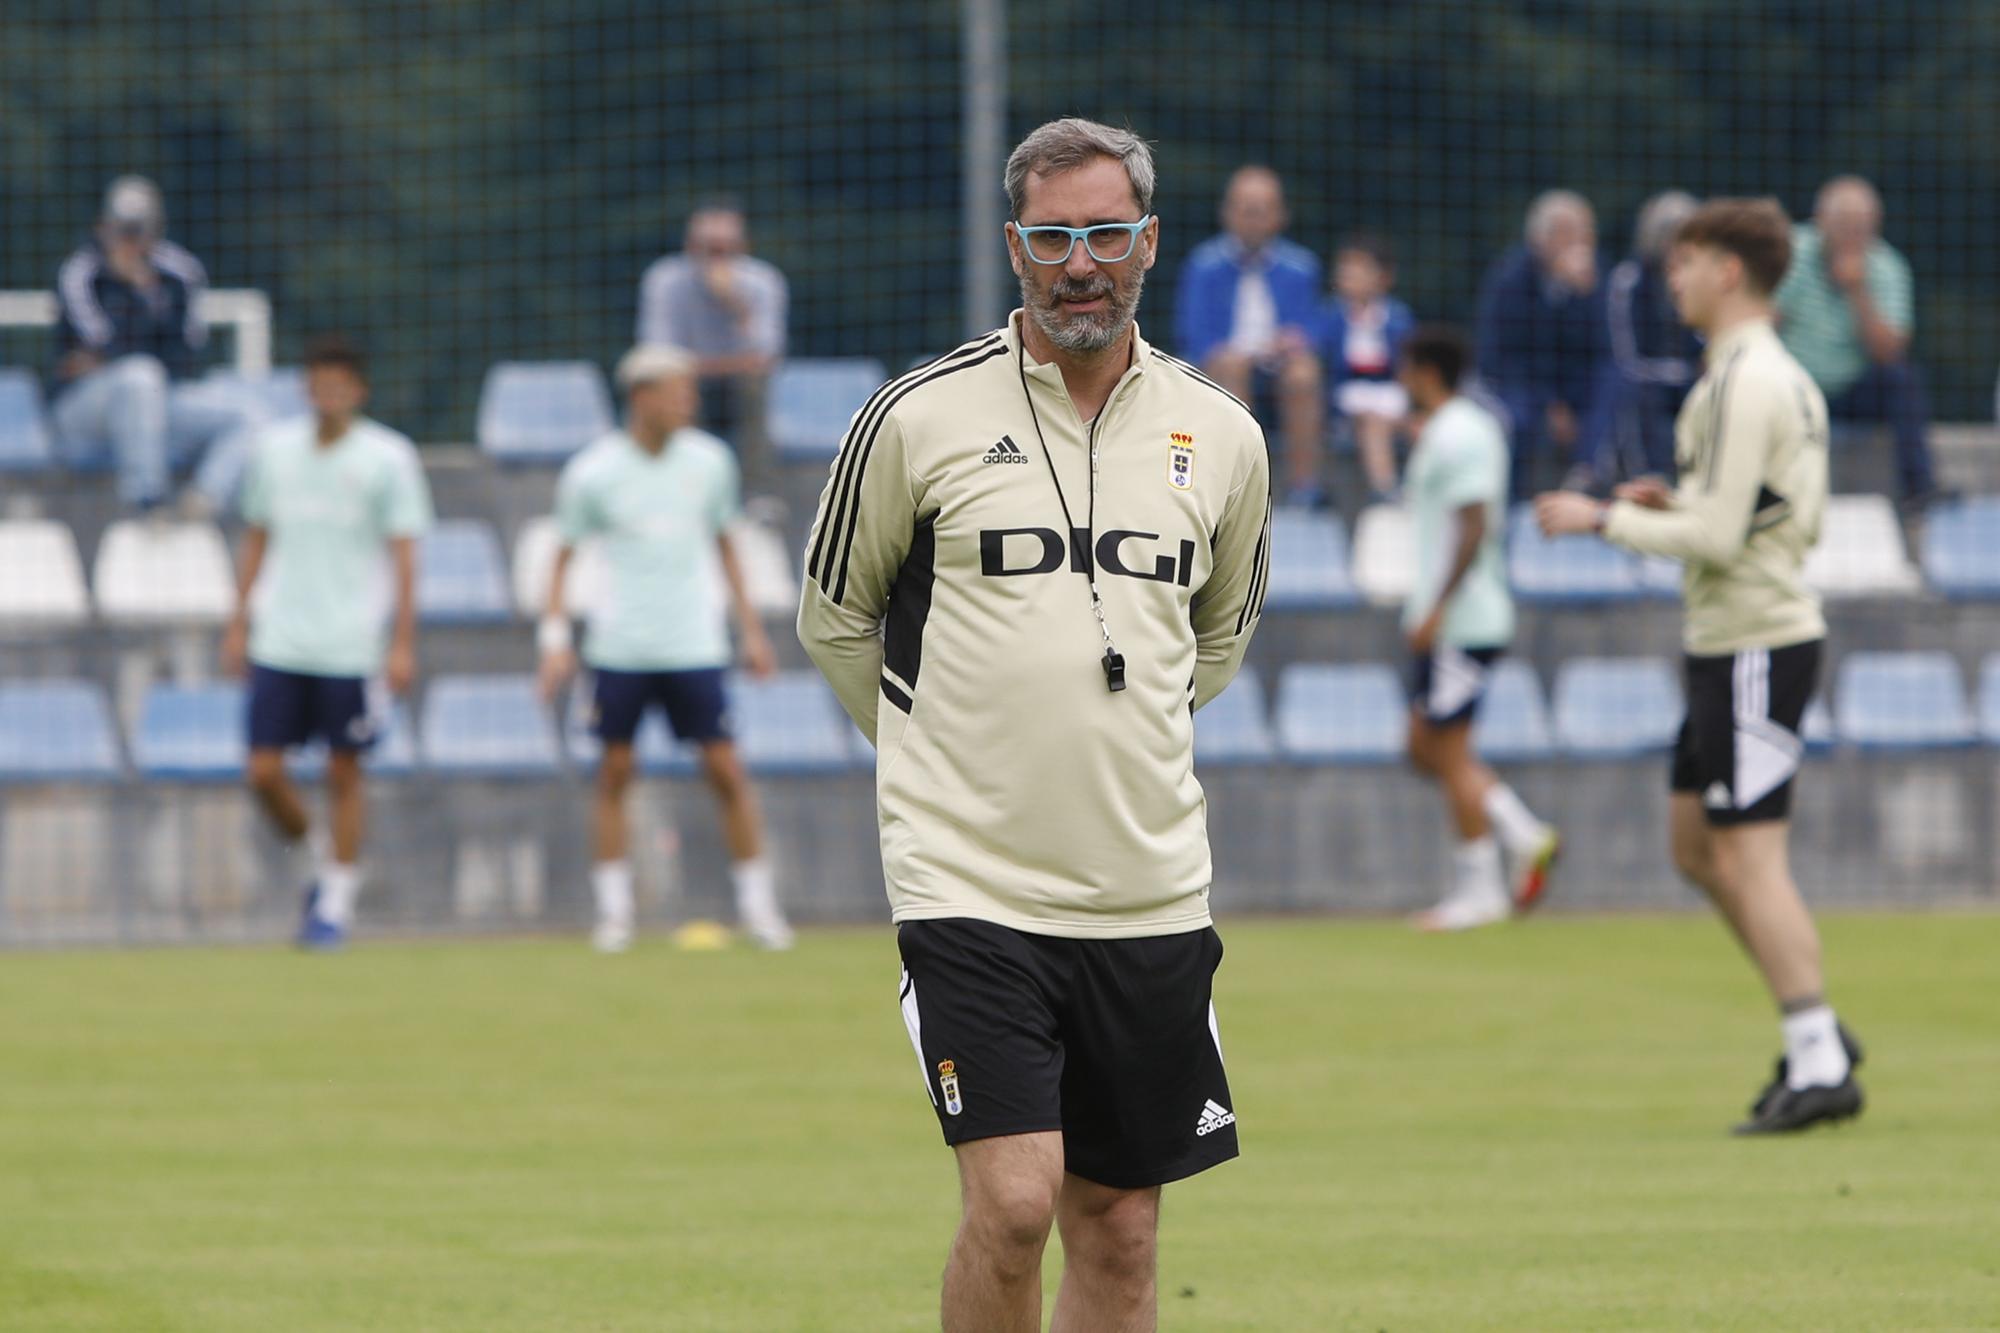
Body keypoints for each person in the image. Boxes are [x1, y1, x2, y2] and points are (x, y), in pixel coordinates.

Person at [798, 117, 1270, 1332]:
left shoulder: (1221, 434)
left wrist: (1115, 734)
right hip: (969, 884)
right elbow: (834, 618)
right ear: (1013, 246)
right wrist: (931, 756)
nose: (1079, 262)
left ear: (1148, 243)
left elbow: (1216, 638)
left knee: (1120, 1229)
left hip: (1149, 888)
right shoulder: (915, 416)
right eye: (1052, 235)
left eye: (1105, 233)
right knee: (1013, 1205)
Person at [1536, 198, 1864, 1135]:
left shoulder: (1747, 381)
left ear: (1728, 271)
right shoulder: (1742, 375)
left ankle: (1818, 1053)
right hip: (1728, 643)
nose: (1669, 279)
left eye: (1685, 263)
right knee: (1695, 846)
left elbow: (1720, 537)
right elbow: (1738, 508)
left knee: (1750, 855)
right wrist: (1666, 498)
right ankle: (1821, 1032)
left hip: (1759, 641)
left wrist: (1603, 516)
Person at [537, 343, 791, 955]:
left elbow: (727, 546)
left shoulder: (709, 462)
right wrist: (554, 642)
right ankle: (615, 915)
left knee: (726, 770)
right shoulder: (593, 471)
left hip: (694, 646)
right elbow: (562, 555)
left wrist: (751, 632)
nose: (689, 403)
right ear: (642, 397)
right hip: (618, 649)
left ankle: (760, 910)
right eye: (679, 391)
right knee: (615, 773)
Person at [221, 337, 431, 951]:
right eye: (319, 382)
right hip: (281, 639)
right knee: (263, 772)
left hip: (350, 644)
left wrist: (402, 642)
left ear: (358, 392)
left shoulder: (389, 458)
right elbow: (257, 538)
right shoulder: (275, 453)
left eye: (341, 383)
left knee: (344, 772)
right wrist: (238, 620)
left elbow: (407, 556)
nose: (329, 394)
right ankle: (321, 859)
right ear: (304, 387)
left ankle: (334, 906)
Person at [1396, 325, 1560, 931]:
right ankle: (1522, 833)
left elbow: (1472, 524)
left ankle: (1481, 888)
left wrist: (1438, 607)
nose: (1400, 379)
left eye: (1406, 369)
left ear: (1427, 373)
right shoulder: (1456, 428)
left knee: (1446, 749)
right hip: (1453, 617)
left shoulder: (1459, 432)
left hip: (1462, 620)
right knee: (1424, 745)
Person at [49, 175, 263, 514]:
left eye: (139, 229)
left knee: (249, 415)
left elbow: (187, 355)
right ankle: (147, 503)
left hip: (161, 397)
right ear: (104, 226)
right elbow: (99, 348)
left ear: (156, 229)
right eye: (123, 229)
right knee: (139, 376)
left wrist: (147, 297)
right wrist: (135, 299)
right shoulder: (81, 272)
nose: (130, 240)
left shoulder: (180, 272)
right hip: (85, 407)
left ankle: (204, 500)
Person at [1775, 175, 1945, 510]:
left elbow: (1890, 352)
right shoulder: (1790, 251)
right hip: (1792, 388)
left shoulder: (1888, 267)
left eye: (1861, 229)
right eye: (1843, 226)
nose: (1851, 237)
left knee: (1903, 378)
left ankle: (1918, 490)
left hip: (1852, 391)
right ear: (1820, 221)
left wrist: (1858, 293)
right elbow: (1759, 321)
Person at [1172, 165, 1325, 507]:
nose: (1254, 219)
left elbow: (1313, 329)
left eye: (1262, 210)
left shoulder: (1302, 267)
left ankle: (1304, 486)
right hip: (1228, 362)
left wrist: (1294, 340)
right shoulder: (1203, 265)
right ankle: (1244, 485)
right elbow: (1192, 334)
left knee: (1305, 374)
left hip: (1279, 362)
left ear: (1280, 216)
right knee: (1232, 366)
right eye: (1246, 210)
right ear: (1228, 213)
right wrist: (1228, 352)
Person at [635, 197, 788, 497]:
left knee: (755, 387)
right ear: (691, 246)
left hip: (740, 388)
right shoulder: (664, 280)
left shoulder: (763, 282)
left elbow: (767, 357)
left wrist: (737, 307)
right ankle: (678, 491)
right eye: (711, 248)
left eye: (726, 249)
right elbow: (655, 356)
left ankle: (758, 498)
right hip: (686, 381)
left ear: (743, 247)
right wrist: (716, 365)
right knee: (665, 388)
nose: (719, 258)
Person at [1474, 189, 1611, 499]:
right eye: (1571, 234)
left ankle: (1587, 476)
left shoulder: (1597, 275)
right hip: (1521, 383)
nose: (1582, 243)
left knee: (1613, 387)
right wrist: (1552, 404)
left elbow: (1605, 347)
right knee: (1517, 418)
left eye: (1587, 233)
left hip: (1577, 384)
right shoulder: (1510, 278)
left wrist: (1585, 296)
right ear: (1542, 239)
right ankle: (1511, 500)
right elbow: (1503, 355)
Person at [1572, 190, 1704, 489]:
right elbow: (1627, 356)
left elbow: (1706, 341)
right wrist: (1682, 371)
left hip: (1692, 383)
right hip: (1647, 382)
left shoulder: (1702, 280)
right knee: (1630, 392)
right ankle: (1639, 480)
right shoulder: (1628, 280)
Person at [1321, 231, 1417, 501]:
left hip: (1389, 390)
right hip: (1349, 392)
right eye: (1346, 268)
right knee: (1373, 423)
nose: (1351, 274)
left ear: (1384, 277)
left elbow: (1407, 363)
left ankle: (1421, 488)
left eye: (1361, 268)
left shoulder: (1397, 316)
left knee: (1415, 425)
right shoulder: (1331, 315)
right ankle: (1385, 488)